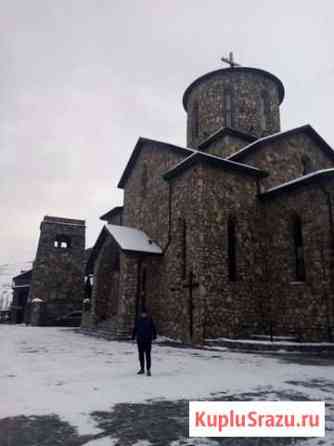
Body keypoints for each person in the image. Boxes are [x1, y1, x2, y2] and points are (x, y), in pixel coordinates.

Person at [132, 309, 157, 376]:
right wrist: (133, 335)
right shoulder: (138, 320)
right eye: (142, 313)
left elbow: (153, 327)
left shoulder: (149, 320)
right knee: (141, 355)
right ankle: (142, 369)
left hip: (148, 340)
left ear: (146, 314)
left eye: (144, 313)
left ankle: (148, 370)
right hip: (140, 340)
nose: (143, 315)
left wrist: (154, 335)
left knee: (148, 355)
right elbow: (135, 328)